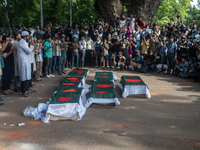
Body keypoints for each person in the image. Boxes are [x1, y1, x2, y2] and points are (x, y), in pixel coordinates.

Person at [17, 31, 38, 97]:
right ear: (25, 36)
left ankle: (27, 90)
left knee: (27, 75)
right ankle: (24, 91)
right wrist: (32, 46)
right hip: (23, 61)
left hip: (26, 61)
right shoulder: (22, 42)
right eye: (28, 36)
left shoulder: (24, 42)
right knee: (24, 76)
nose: (29, 38)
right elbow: (28, 51)